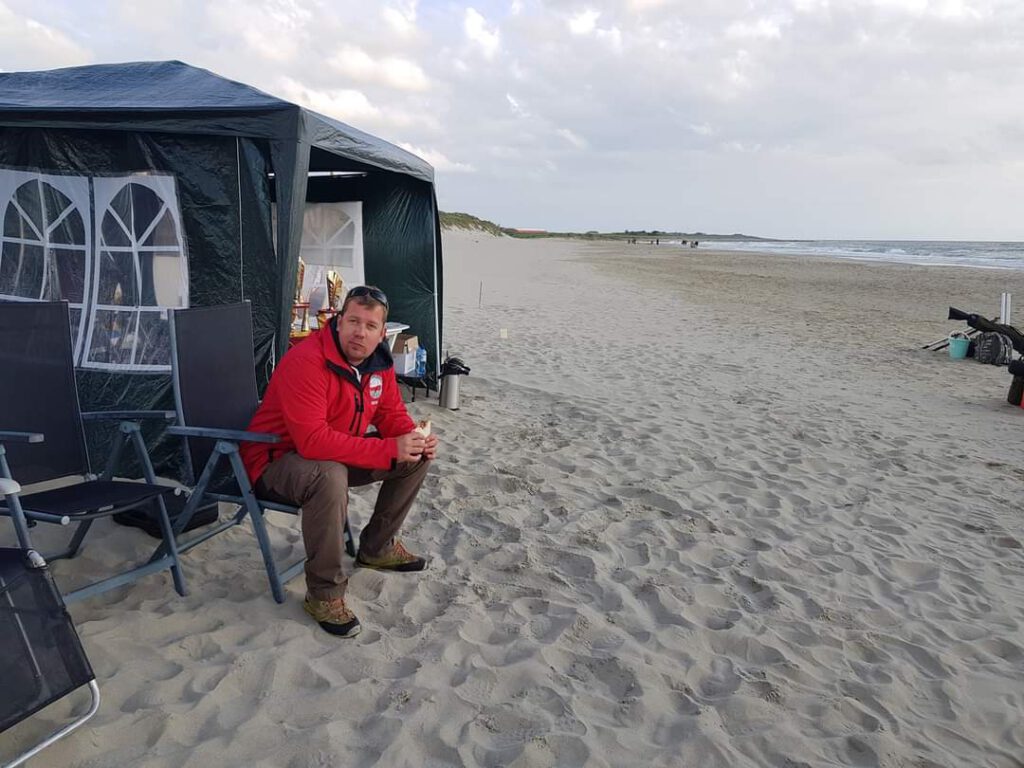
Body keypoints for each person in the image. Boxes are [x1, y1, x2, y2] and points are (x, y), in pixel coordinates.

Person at [240, 285, 438, 638]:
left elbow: (391, 414)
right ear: (338, 320)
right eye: (353, 322)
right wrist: (388, 449)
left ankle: (377, 548)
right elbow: (312, 442)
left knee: (415, 453)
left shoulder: (378, 364)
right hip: (275, 460)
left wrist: (412, 438)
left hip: (336, 454)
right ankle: (324, 595)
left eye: (370, 326)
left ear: (382, 333)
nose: (360, 332)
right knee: (329, 475)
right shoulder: (307, 360)